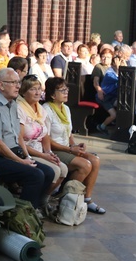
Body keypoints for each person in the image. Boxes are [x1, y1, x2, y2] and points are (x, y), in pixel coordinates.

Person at [0, 68, 55, 210]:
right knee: (35, 175)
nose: (18, 86)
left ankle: (32, 209)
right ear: (1, 85)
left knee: (49, 172)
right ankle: (22, 216)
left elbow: (18, 136)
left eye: (18, 82)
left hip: (12, 151)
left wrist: (27, 156)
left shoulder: (12, 103)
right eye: (13, 82)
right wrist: (21, 161)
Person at [42, 77, 104, 213]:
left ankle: (87, 199)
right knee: (85, 165)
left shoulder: (66, 109)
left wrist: (76, 146)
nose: (66, 92)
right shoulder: (46, 110)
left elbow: (68, 132)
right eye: (62, 90)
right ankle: (64, 199)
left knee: (95, 160)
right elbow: (46, 139)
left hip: (68, 148)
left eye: (66, 89)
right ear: (52, 94)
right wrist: (71, 149)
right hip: (54, 150)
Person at [17, 76, 67, 195]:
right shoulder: (19, 108)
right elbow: (20, 140)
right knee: (54, 170)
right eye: (33, 89)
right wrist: (43, 156)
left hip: (41, 151)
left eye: (39, 89)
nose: (38, 92)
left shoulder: (40, 109)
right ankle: (36, 200)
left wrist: (49, 152)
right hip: (26, 152)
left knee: (63, 169)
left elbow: (45, 135)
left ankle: (43, 199)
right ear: (23, 92)